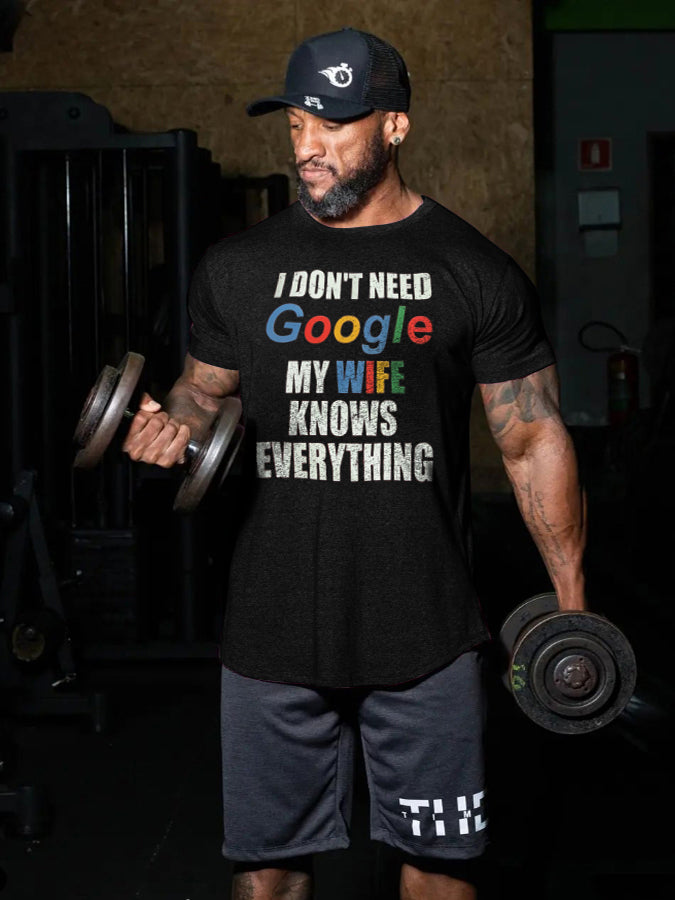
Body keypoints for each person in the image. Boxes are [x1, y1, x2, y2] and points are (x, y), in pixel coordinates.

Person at [122, 27, 586, 900]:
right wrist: (171, 424)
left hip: (427, 628)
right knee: (266, 879)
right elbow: (202, 389)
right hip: (271, 625)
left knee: (438, 877)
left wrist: (571, 605)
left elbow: (530, 438)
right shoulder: (237, 268)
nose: (308, 147)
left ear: (396, 126)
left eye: (332, 124)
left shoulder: (471, 271)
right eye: (296, 124)